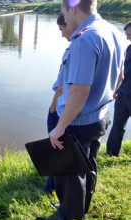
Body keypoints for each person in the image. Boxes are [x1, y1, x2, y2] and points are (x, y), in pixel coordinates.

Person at [37, 0, 126, 220]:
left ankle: (67, 217)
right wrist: (105, 99)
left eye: (63, 11)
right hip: (100, 116)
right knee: (88, 165)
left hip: (79, 121)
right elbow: (120, 77)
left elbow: (79, 91)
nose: (63, 17)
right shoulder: (113, 31)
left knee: (69, 172)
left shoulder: (84, 39)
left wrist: (60, 127)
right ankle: (79, 207)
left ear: (73, 8)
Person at [44, 13, 74, 194]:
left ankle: (51, 186)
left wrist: (52, 109)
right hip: (71, 111)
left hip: (62, 111)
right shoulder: (105, 39)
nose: (61, 34)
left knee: (55, 146)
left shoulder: (76, 49)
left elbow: (62, 87)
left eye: (62, 28)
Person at [106, 21, 131, 157]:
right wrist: (116, 89)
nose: (127, 38)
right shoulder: (128, 49)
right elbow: (123, 72)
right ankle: (111, 153)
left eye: (130, 35)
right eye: (127, 35)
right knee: (117, 126)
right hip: (123, 95)